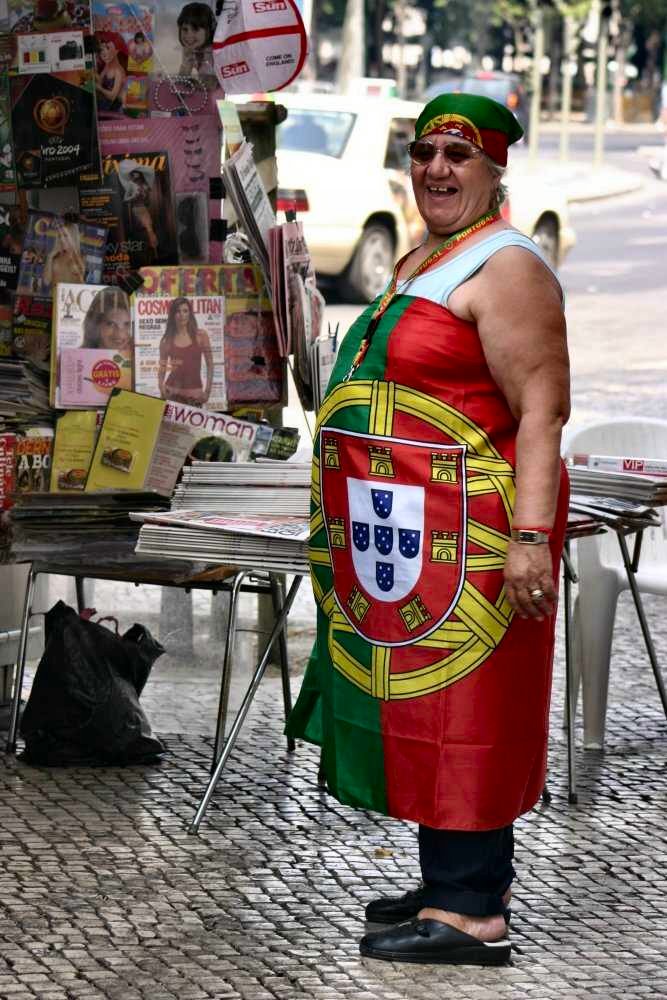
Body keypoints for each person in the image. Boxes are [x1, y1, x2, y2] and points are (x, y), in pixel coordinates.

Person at [286, 92, 570, 967]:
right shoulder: (432, 254)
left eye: (459, 154)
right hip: (407, 534)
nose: (436, 169)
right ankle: (458, 877)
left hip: (475, 538)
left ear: (495, 170)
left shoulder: (507, 267)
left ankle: (472, 913)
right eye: (424, 152)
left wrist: (528, 538)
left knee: (470, 708)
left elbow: (541, 411)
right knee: (423, 703)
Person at [158, 296, 213, 405]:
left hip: (194, 396)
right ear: (173, 315)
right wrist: (161, 386)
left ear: (190, 314)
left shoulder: (201, 336)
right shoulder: (166, 340)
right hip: (171, 393)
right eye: (178, 311)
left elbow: (210, 365)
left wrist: (207, 391)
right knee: (168, 423)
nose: (182, 315)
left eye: (185, 311)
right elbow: (162, 366)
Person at [118, 160, 159, 263]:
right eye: (133, 172)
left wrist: (144, 195)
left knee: (150, 230)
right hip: (136, 210)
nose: (135, 174)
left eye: (137, 172)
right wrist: (133, 196)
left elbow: (147, 200)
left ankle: (154, 256)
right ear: (131, 175)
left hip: (144, 209)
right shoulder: (131, 185)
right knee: (147, 231)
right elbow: (125, 199)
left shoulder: (145, 185)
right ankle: (150, 256)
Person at [177, 2, 218, 90]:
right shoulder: (191, 48)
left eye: (195, 29)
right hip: (208, 97)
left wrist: (191, 84)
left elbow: (210, 84)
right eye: (185, 29)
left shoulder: (214, 51)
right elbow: (180, 82)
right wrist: (187, 63)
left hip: (225, 97)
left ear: (209, 29)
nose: (189, 35)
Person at [82, 287, 132, 351]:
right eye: (111, 324)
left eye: (127, 324)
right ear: (96, 325)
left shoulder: (138, 357)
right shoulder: (76, 358)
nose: (120, 334)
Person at [43, 222, 85, 289]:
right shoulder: (54, 257)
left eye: (65, 236)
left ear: (73, 237)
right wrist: (49, 258)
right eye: (59, 236)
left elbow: (82, 286)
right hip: (54, 296)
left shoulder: (81, 258)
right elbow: (46, 282)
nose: (62, 239)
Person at [95, 31, 128, 113]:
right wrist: (94, 74)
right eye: (100, 50)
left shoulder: (118, 71)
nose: (103, 53)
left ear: (116, 50)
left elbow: (112, 96)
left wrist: (99, 88)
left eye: (107, 48)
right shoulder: (107, 66)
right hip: (106, 105)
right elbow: (100, 80)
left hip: (115, 109)